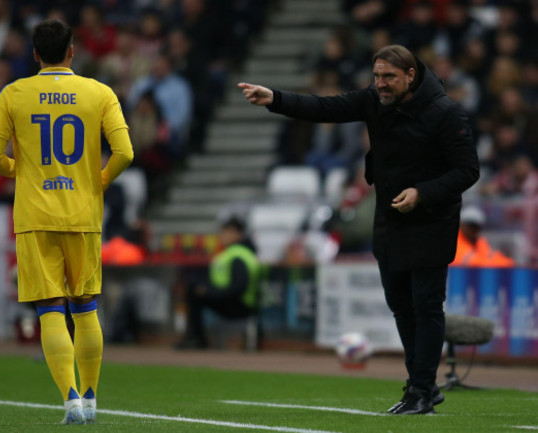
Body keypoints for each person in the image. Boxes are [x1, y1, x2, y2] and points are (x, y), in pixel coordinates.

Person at [239, 44, 479, 414]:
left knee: (427, 305)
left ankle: (421, 388)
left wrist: (422, 193)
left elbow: (467, 170)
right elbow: (325, 108)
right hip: (389, 218)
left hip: (432, 221)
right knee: (401, 306)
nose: (380, 84)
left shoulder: (446, 114)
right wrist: (276, 99)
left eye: (389, 77)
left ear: (410, 76)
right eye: (377, 76)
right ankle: (422, 386)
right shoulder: (374, 100)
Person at [0, 19, 133, 424]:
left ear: (34, 55)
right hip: (83, 214)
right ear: (72, 51)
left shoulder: (13, 94)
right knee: (85, 308)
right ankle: (91, 397)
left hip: (35, 216)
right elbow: (124, 153)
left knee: (50, 309)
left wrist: (25, 170)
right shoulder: (99, 92)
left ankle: (69, 400)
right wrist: (95, 181)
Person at [175, 217, 261, 349]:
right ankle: (194, 336)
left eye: (225, 232)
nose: (221, 236)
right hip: (231, 299)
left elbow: (238, 287)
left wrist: (210, 292)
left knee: (195, 292)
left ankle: (196, 338)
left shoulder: (238, 255)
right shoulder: (232, 253)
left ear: (236, 233)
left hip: (240, 304)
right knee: (194, 288)